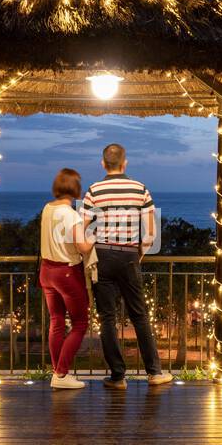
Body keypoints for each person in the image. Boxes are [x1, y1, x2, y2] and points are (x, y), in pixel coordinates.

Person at [81, 144, 173, 388]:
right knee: (140, 315)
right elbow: (150, 233)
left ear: (103, 164)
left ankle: (118, 376)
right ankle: (154, 373)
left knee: (107, 318)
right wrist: (136, 255)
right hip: (129, 255)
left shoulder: (93, 191)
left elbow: (83, 229)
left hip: (102, 256)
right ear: (125, 163)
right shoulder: (140, 189)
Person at [39, 168, 95, 389]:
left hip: (46, 271)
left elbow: (60, 235)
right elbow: (82, 247)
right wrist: (94, 235)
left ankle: (58, 373)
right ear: (75, 187)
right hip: (66, 273)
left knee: (56, 322)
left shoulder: (47, 209)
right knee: (80, 323)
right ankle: (61, 374)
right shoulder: (70, 214)